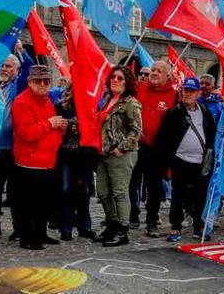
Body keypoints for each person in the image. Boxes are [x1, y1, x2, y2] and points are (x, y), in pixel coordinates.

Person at [10, 65, 65, 249]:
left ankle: (40, 233)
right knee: (29, 203)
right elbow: (26, 134)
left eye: (46, 81)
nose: (42, 84)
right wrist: (50, 124)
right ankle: (27, 238)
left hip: (47, 160)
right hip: (29, 162)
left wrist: (59, 128)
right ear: (30, 82)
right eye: (38, 81)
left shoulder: (46, 100)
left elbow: (48, 128)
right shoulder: (21, 102)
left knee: (44, 202)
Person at [158, 77, 217, 242]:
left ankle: (198, 224)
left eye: (191, 91)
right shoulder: (173, 113)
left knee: (200, 195)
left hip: (200, 161)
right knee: (178, 194)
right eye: (186, 90)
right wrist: (167, 160)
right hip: (180, 159)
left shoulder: (205, 112)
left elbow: (212, 132)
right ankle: (175, 225)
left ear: (197, 93)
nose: (188, 94)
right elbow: (164, 138)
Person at [95, 65, 142, 247]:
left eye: (120, 78)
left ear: (127, 82)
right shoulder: (107, 99)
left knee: (119, 192)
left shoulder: (130, 103)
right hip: (103, 153)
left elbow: (136, 130)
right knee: (103, 192)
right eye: (113, 77)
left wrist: (121, 148)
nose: (115, 80)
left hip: (121, 155)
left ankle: (123, 231)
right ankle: (111, 224)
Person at [130, 60, 176, 236]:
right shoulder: (139, 89)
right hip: (137, 146)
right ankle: (132, 216)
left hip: (158, 150)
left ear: (167, 76)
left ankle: (152, 221)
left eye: (159, 71)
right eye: (153, 70)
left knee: (154, 187)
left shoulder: (174, 95)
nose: (154, 73)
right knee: (131, 183)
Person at [53, 77, 98, 241]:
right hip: (66, 156)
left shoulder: (91, 109)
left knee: (84, 191)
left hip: (84, 156)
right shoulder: (60, 107)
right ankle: (66, 227)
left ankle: (85, 226)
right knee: (65, 190)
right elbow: (54, 130)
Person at [0, 54, 23, 240]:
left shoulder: (18, 86)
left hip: (14, 147)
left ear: (17, 70)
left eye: (9, 66)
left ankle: (19, 229)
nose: (4, 68)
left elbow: (28, 68)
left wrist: (20, 51)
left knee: (15, 191)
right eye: (2, 65)